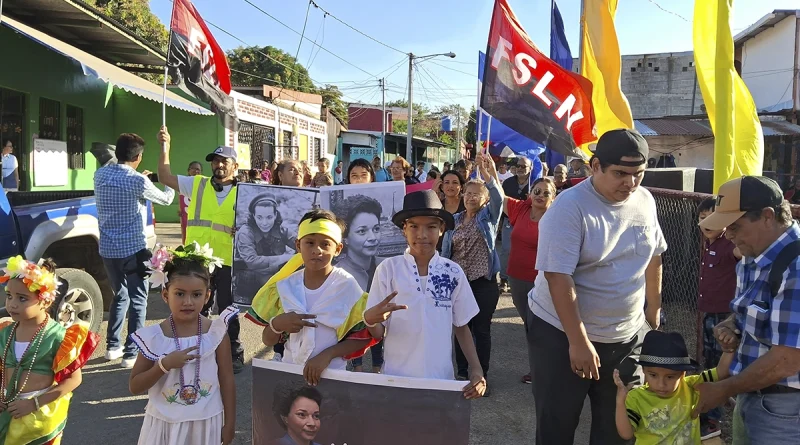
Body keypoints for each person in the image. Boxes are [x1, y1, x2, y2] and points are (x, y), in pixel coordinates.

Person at [529, 129, 667, 444]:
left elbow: (654, 255)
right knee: (558, 424)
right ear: (595, 166)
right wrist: (578, 342)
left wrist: (654, 310)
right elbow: (557, 277)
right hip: (561, 334)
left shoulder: (645, 201)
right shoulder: (569, 208)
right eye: (620, 173)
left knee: (619, 428)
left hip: (626, 335)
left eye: (638, 174)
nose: (630, 183)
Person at [693, 176, 800, 445]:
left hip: (787, 410)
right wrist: (731, 323)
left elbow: (788, 359)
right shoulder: (753, 255)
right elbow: (752, 310)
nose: (728, 235)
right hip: (754, 395)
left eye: (735, 226)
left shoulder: (795, 268)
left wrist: (723, 389)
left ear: (767, 216)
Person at [362, 189, 486, 399]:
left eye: (431, 227)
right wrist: (370, 319)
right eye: (414, 227)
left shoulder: (452, 272)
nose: (422, 235)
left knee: (436, 431)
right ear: (404, 229)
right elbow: (377, 332)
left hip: (440, 380)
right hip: (396, 379)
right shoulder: (388, 270)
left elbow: (461, 326)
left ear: (442, 229)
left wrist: (477, 369)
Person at [247, 210, 375, 385]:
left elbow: (362, 337)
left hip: (332, 375)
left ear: (338, 249)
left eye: (325, 244)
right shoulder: (286, 287)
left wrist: (327, 355)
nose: (317, 250)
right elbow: (268, 339)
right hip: (291, 373)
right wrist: (277, 325)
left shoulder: (346, 286)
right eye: (310, 243)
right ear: (298, 246)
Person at [157, 127, 245, 374]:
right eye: (215, 161)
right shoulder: (196, 184)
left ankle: (234, 352)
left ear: (235, 166)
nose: (218, 165)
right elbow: (164, 176)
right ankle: (193, 349)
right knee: (196, 306)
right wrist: (166, 145)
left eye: (224, 161)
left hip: (228, 259)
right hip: (198, 258)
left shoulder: (245, 193)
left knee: (228, 308)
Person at [129, 242, 236, 445]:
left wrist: (230, 423)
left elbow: (227, 379)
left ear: (207, 296)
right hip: (164, 425)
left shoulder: (216, 333)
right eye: (180, 294)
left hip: (206, 423)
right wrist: (163, 365)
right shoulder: (154, 337)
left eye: (196, 294)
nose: (188, 301)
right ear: (165, 295)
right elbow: (135, 386)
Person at [96, 132, 175, 368]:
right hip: (133, 249)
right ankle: (132, 353)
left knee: (119, 295)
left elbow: (122, 180)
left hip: (108, 249)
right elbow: (165, 199)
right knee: (138, 300)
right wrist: (165, 184)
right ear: (139, 156)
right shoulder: (139, 182)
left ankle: (112, 346)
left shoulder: (100, 175)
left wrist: (141, 179)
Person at [0, 257, 98, 444]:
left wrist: (33, 404)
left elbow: (74, 379)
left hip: (38, 417)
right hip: (7, 410)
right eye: (9, 296)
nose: (12, 304)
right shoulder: (5, 332)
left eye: (22, 298)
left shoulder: (58, 337)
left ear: (45, 301)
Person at [441, 155, 504, 392]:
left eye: (477, 194)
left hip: (483, 283)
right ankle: (462, 372)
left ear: (485, 199)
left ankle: (481, 374)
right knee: (460, 326)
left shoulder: (488, 218)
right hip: (459, 283)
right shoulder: (454, 220)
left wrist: (488, 175)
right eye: (468, 193)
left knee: (481, 329)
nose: (471, 197)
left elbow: (499, 197)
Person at [614, 331, 732, 444]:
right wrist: (620, 403)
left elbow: (721, 372)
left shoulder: (691, 386)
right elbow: (626, 434)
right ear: (644, 370)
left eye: (670, 377)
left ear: (682, 374)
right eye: (653, 375)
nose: (661, 384)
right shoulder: (636, 398)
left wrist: (729, 349)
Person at [696, 196, 742, 439]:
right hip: (709, 314)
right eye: (703, 219)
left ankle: (712, 419)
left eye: (714, 219)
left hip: (725, 318)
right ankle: (715, 409)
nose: (707, 223)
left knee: (718, 367)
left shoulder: (728, 245)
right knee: (711, 363)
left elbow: (741, 251)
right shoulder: (708, 244)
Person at [503, 177, 556, 384]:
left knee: (539, 328)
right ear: (529, 193)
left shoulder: (555, 218)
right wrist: (487, 172)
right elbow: (497, 195)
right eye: (537, 191)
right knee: (529, 326)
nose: (540, 195)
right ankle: (538, 368)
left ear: (553, 198)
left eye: (546, 193)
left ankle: (541, 371)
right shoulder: (521, 210)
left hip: (541, 282)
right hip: (516, 278)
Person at [334, 194, 385, 373]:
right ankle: (358, 368)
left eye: (376, 229)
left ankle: (378, 368)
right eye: (362, 231)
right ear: (345, 238)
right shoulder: (338, 275)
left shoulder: (386, 268)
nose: (372, 237)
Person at [233, 195, 296, 300]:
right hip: (250, 278)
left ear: (275, 215)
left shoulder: (281, 230)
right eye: (259, 217)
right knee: (248, 278)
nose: (264, 223)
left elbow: (301, 244)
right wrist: (283, 258)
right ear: (253, 215)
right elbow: (251, 261)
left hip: (273, 275)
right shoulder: (246, 232)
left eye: (269, 217)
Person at [499, 156, 532, 293]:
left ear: (530, 168)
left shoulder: (535, 183)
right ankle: (504, 279)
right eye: (518, 165)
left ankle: (521, 280)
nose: (520, 168)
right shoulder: (508, 183)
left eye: (523, 166)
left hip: (528, 222)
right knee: (507, 250)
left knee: (526, 251)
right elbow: (502, 202)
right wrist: (500, 221)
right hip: (509, 221)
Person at [180, 161, 203, 243]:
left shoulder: (204, 185)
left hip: (199, 221)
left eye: (198, 169)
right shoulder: (183, 183)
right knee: (186, 239)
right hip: (186, 218)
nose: (196, 171)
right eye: (193, 168)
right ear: (188, 170)